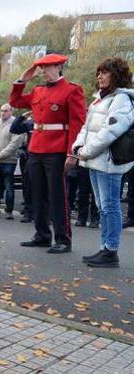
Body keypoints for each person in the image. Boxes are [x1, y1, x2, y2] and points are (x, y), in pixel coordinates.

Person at [10, 53, 87, 254]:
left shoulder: (72, 90)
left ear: (59, 66)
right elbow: (15, 101)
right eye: (41, 67)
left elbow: (77, 124)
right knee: (37, 193)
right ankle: (42, 234)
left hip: (57, 149)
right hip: (36, 147)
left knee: (57, 195)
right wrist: (22, 80)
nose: (43, 71)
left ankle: (63, 238)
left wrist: (73, 152)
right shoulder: (37, 90)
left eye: (47, 67)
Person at [71, 57, 134, 267]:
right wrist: (78, 146)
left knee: (110, 206)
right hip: (94, 160)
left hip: (108, 162)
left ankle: (111, 250)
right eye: (99, 72)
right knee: (102, 206)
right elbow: (86, 128)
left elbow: (111, 131)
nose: (100, 76)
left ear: (116, 75)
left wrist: (85, 151)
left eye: (105, 72)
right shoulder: (99, 99)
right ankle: (104, 247)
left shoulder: (122, 99)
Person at [10, 111, 35, 223]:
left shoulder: (52, 122)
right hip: (31, 158)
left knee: (45, 189)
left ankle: (44, 214)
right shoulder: (30, 123)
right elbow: (14, 128)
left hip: (46, 158)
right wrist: (23, 116)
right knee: (28, 187)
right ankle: (28, 212)